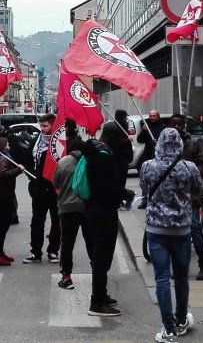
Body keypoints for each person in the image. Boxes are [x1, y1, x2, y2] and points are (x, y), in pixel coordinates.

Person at [140, 127, 203, 342]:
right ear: (179, 144)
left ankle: (168, 330)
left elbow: (144, 187)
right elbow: (198, 190)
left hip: (156, 229)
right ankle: (181, 319)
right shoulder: (189, 167)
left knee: (161, 279)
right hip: (182, 229)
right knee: (182, 277)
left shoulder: (148, 166)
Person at [82, 134, 123, 317]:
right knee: (102, 257)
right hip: (103, 213)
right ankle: (97, 302)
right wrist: (124, 193)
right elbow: (107, 191)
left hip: (92, 210)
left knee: (100, 255)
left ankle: (101, 294)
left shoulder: (92, 156)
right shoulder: (102, 159)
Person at [170, 114, 203, 281]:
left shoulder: (193, 145)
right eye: (173, 124)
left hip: (191, 196)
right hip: (172, 197)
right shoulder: (164, 146)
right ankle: (181, 266)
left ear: (184, 126)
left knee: (195, 229)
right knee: (177, 235)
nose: (176, 127)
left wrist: (187, 170)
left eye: (179, 124)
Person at [52, 121, 93, 287]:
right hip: (87, 208)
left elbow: (55, 184)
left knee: (67, 242)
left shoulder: (63, 163)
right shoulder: (89, 161)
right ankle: (96, 272)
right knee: (91, 241)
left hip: (67, 208)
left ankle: (67, 277)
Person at [24, 114, 61, 264]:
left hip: (55, 189)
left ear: (53, 126)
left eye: (45, 126)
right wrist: (32, 178)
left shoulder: (59, 142)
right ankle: (35, 252)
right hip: (38, 188)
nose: (42, 129)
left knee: (56, 221)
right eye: (41, 126)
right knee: (37, 221)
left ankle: (53, 251)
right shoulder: (36, 141)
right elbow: (27, 160)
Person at [0, 136, 26, 266]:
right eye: (7, 143)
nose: (9, 145)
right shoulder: (2, 157)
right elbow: (3, 174)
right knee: (3, 225)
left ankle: (0, 252)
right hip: (1, 194)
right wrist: (18, 170)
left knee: (4, 225)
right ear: (2, 145)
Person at [100, 110, 136, 210]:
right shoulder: (115, 128)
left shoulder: (124, 126)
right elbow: (116, 144)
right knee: (118, 181)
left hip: (124, 158)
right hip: (118, 159)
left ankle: (120, 199)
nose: (126, 119)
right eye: (125, 117)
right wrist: (127, 140)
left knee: (122, 180)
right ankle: (119, 200)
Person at [135, 110, 166, 208]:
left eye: (154, 116)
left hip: (160, 157)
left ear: (158, 116)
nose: (152, 118)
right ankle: (144, 200)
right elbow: (139, 140)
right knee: (146, 179)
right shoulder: (147, 127)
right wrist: (143, 130)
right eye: (150, 116)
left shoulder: (163, 128)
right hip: (147, 156)